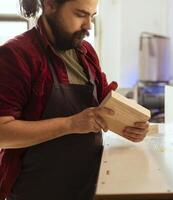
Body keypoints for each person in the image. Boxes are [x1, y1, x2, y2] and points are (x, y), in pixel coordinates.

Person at [0, 0, 149, 199]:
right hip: (36, 190)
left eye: (92, 16)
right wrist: (71, 124)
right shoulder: (16, 54)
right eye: (80, 14)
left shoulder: (86, 52)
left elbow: (105, 101)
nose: (88, 25)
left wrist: (131, 125)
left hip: (87, 188)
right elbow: (3, 132)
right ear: (50, 5)